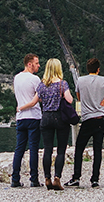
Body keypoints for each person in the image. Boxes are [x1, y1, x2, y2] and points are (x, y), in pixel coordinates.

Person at [64, 57, 104, 188]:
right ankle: (95, 179)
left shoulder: (80, 81)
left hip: (88, 119)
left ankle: (76, 178)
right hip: (101, 119)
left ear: (87, 69)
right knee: (98, 149)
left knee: (79, 149)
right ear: (98, 69)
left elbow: (79, 97)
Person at [35, 58, 74, 190]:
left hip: (45, 117)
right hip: (60, 118)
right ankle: (57, 177)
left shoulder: (41, 85)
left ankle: (47, 178)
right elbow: (69, 99)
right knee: (61, 150)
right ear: (58, 69)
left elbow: (38, 99)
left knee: (47, 149)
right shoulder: (62, 84)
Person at [11, 53, 41, 188]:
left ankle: (15, 179)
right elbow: (39, 98)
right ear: (30, 64)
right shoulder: (35, 79)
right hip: (33, 116)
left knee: (19, 149)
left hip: (21, 117)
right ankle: (34, 179)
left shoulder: (16, 78)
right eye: (36, 63)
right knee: (33, 149)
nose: (39, 65)